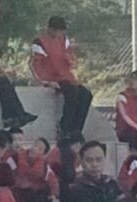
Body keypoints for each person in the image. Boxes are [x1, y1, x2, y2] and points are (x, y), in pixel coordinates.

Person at [28, 17, 92, 152]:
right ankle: (65, 128)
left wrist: (71, 61)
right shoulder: (39, 42)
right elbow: (36, 65)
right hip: (51, 78)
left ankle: (76, 129)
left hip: (66, 76)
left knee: (86, 94)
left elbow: (69, 56)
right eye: (58, 32)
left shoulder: (64, 40)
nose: (60, 35)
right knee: (72, 93)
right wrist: (46, 81)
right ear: (50, 29)